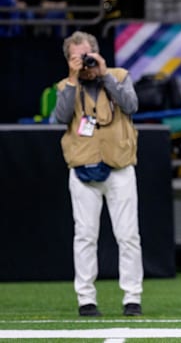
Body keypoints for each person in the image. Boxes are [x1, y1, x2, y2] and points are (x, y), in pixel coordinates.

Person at [51, 31, 143, 317]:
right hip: (82, 168)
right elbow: (62, 117)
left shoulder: (119, 75)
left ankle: (132, 297)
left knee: (128, 235)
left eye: (87, 55)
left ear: (98, 53)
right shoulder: (65, 85)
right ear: (69, 60)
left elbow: (131, 106)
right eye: (77, 57)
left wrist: (104, 74)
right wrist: (73, 78)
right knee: (85, 236)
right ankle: (86, 299)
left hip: (120, 165)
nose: (85, 61)